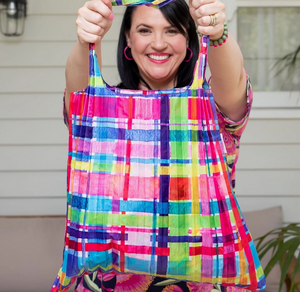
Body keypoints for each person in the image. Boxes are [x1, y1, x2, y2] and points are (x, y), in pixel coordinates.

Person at [62, 0, 253, 291]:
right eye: (145, 30)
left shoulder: (210, 108)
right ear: (127, 36)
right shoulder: (101, 111)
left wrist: (218, 33)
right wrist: (88, 37)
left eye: (172, 30)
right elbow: (79, 92)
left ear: (189, 37)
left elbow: (234, 82)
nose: (159, 43)